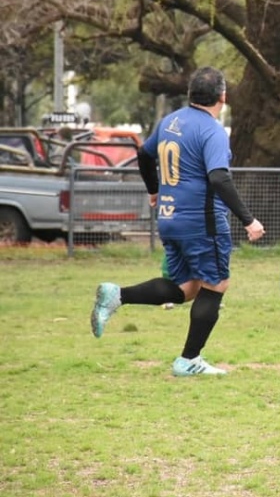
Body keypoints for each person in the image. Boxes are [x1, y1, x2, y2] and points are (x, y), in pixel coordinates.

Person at [89, 67, 266, 376]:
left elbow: (144, 155)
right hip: (202, 222)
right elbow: (219, 178)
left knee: (185, 288)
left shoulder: (169, 121)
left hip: (170, 219)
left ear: (190, 95)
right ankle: (189, 360)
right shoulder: (211, 131)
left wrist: (154, 191)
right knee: (216, 283)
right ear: (222, 97)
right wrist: (248, 220)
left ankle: (118, 295)